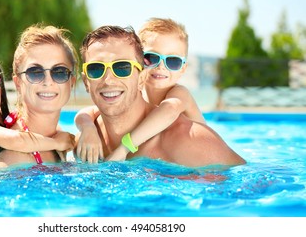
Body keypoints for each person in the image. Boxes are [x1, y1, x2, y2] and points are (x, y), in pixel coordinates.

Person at [76, 25, 246, 167]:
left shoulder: (190, 142)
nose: (109, 79)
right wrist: (87, 127)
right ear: (86, 82)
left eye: (122, 67)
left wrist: (124, 148)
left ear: (142, 77)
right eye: (96, 69)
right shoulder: (83, 144)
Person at [75, 18, 204, 163]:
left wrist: (124, 148)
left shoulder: (179, 93)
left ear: (183, 69)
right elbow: (88, 112)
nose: (161, 66)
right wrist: (88, 128)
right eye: (152, 58)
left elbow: (169, 111)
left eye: (173, 61)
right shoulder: (138, 96)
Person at [0, 24, 78, 168]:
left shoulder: (61, 136)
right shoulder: (14, 160)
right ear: (18, 82)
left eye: (59, 72)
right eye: (35, 72)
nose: (48, 81)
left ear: (71, 82)